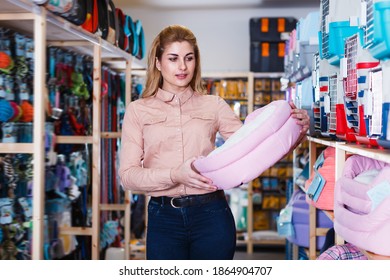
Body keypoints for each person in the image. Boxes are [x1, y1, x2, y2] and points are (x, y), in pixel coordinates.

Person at [118, 24, 309, 260]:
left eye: (189, 58)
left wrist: (295, 130)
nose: (182, 66)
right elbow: (128, 176)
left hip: (211, 214)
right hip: (163, 218)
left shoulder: (213, 105)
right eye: (173, 58)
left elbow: (253, 151)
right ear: (158, 62)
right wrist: (175, 175)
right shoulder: (138, 111)